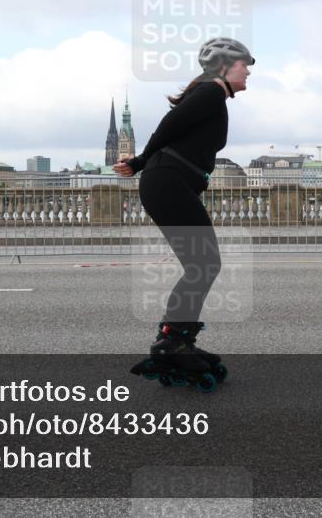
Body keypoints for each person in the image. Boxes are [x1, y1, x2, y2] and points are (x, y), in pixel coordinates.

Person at [115, 37, 254, 390]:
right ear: (224, 66)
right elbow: (169, 126)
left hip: (171, 183)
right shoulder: (210, 92)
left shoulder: (212, 95)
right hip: (166, 182)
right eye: (244, 64)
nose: (248, 71)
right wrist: (139, 161)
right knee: (204, 264)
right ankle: (172, 342)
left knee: (202, 264)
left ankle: (177, 339)